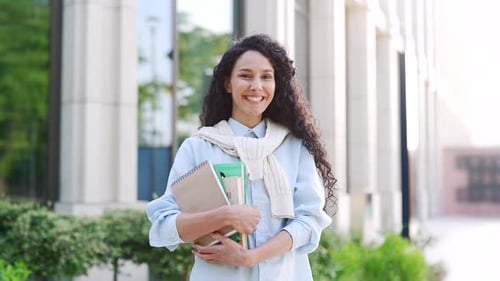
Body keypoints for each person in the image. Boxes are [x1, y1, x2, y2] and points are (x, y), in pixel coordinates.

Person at [146, 34, 337, 281]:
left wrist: (251, 257)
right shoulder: (199, 147)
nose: (256, 86)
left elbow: (309, 221)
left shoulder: (294, 147)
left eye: (266, 77)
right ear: (228, 83)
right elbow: (163, 226)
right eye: (246, 76)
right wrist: (224, 216)